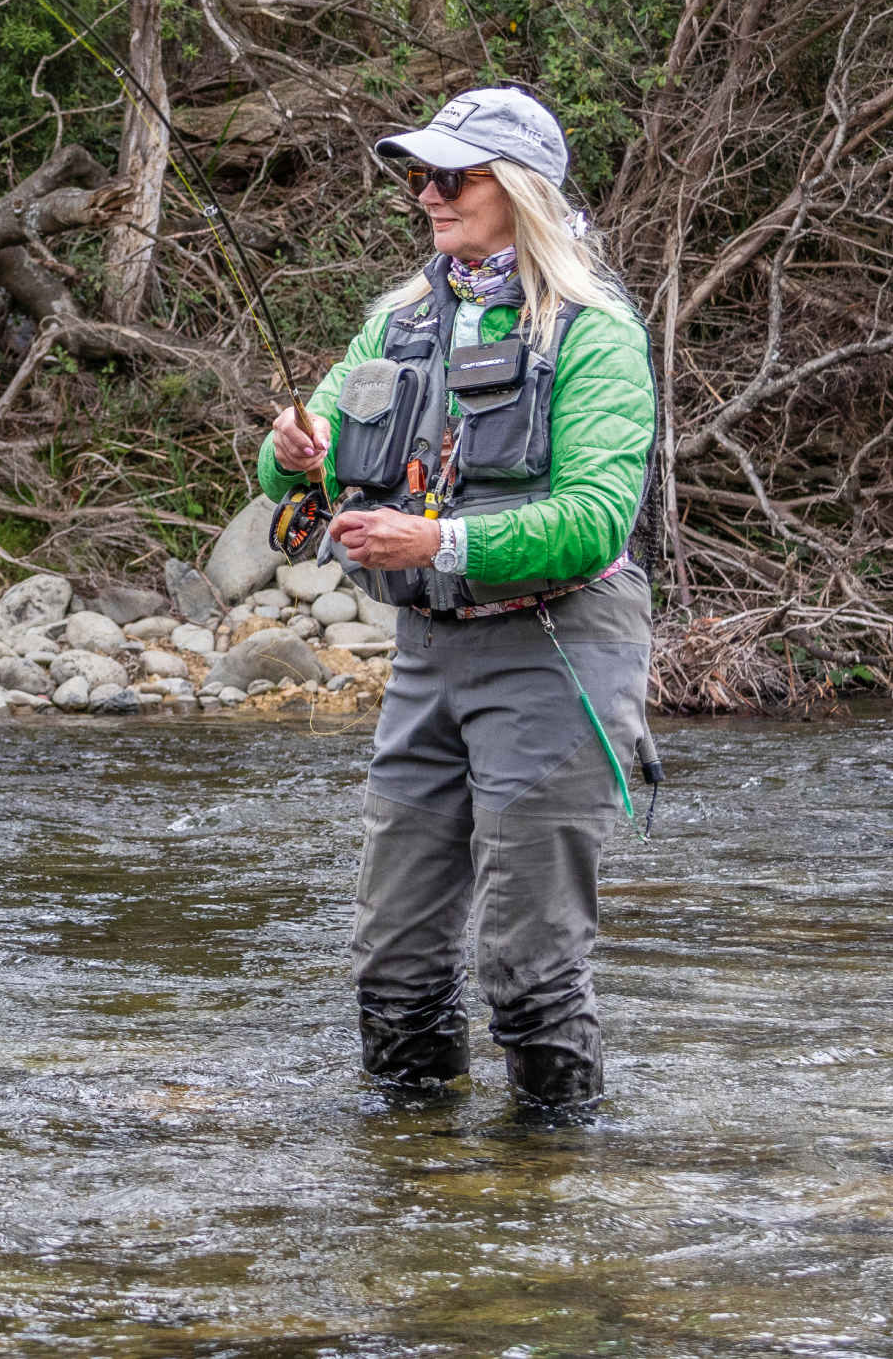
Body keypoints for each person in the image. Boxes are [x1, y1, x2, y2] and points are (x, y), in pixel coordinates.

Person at [255, 82, 658, 1113]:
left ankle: (550, 1198)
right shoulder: (398, 321)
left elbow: (596, 519)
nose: (428, 195)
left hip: (556, 648)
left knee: (528, 966)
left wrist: (440, 536)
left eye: (451, 176)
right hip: (430, 653)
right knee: (393, 961)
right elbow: (292, 473)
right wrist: (293, 451)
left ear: (517, 191)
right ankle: (417, 1197)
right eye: (419, 178)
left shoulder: (594, 332)